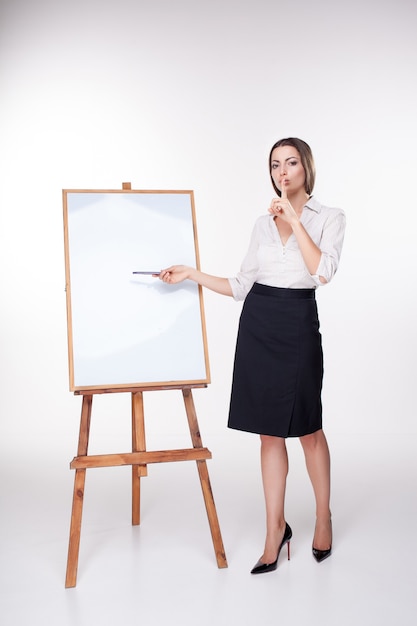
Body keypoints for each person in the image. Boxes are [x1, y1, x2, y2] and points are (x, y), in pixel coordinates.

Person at [157, 137, 346, 574]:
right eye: (276, 164)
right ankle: (274, 530)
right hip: (259, 323)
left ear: (306, 168)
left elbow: (323, 272)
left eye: (291, 163)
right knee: (268, 433)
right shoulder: (261, 226)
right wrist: (192, 273)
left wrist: (294, 219)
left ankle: (322, 517)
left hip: (297, 323)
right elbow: (242, 284)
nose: (283, 171)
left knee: (308, 428)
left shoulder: (330, 217)